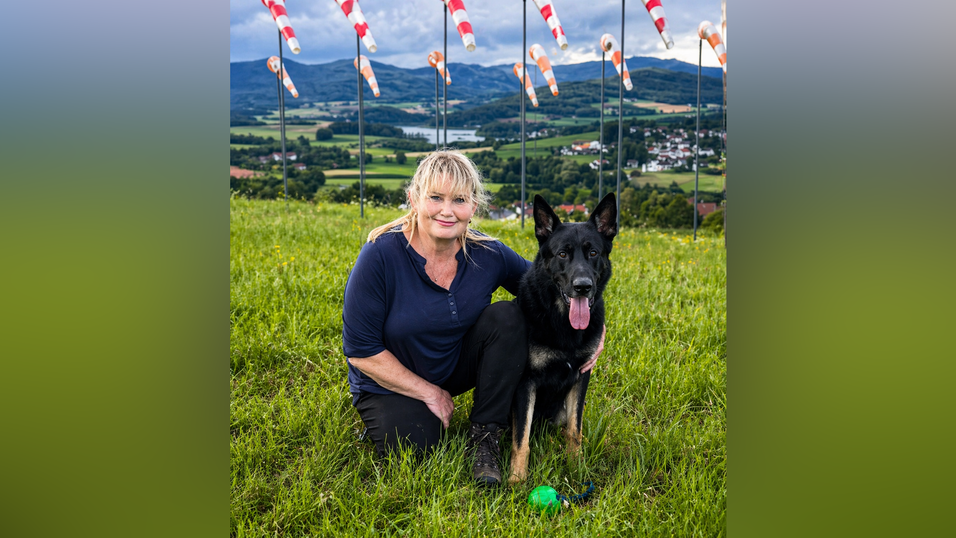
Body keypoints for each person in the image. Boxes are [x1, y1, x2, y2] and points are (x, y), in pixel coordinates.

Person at [342, 150, 602, 486]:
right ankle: (387, 418)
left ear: (473, 207)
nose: (447, 210)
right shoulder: (379, 255)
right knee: (415, 449)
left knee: (508, 316)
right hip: (391, 382)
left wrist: (594, 326)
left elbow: (548, 283)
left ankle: (486, 435)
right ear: (414, 199)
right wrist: (429, 393)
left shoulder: (487, 252)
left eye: (459, 200)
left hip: (453, 367)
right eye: (436, 197)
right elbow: (361, 351)